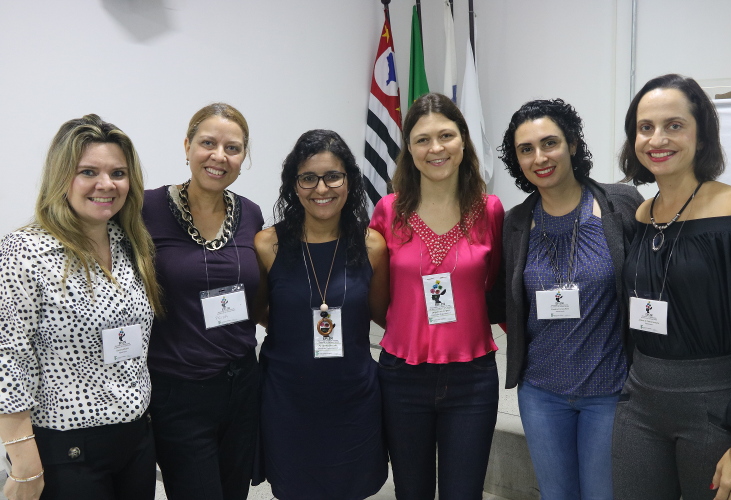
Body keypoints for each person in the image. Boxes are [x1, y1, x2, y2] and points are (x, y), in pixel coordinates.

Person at [0, 114, 162, 500]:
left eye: (118, 173)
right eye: (88, 171)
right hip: (67, 450)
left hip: (136, 440)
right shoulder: (25, 251)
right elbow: (7, 358)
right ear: (62, 178)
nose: (106, 184)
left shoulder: (131, 244)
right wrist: (23, 464)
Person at [496, 99, 642, 499]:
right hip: (541, 394)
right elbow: (504, 301)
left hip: (609, 393)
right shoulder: (515, 223)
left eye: (549, 143)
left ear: (573, 144)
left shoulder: (621, 205)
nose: (539, 157)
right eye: (526, 149)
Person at [613, 74, 731, 500]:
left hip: (714, 407)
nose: (658, 138)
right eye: (645, 127)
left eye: (675, 125)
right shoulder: (642, 214)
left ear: (702, 136)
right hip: (640, 401)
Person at [369, 92, 504, 499]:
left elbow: (492, 283)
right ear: (408, 149)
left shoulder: (490, 209)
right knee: (411, 491)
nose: (436, 148)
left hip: (473, 378)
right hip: (401, 376)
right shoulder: (388, 212)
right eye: (422, 139)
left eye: (446, 135)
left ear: (464, 140)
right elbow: (378, 298)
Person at [254, 129, 389, 500]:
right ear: (294, 185)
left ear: (349, 181)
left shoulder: (372, 244)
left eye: (333, 176)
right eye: (308, 178)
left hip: (353, 397)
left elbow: (382, 314)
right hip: (289, 400)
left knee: (352, 488)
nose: (321, 188)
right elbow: (263, 311)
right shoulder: (268, 244)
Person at [142, 103, 263, 500]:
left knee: (233, 492)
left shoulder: (251, 215)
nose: (219, 156)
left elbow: (261, 294)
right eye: (208, 143)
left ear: (243, 157)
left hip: (242, 383)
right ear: (187, 146)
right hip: (178, 389)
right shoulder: (146, 209)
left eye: (233, 148)